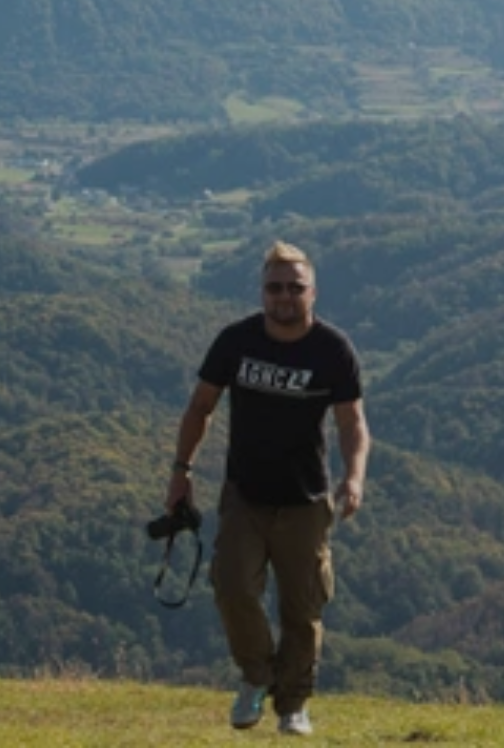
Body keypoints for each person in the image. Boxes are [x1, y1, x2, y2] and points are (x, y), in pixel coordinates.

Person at [167, 240, 372, 737]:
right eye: (275, 287)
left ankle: (293, 705)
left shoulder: (332, 349)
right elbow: (200, 407)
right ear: (262, 291)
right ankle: (256, 675)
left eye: (294, 288)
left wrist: (354, 476)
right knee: (232, 586)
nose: (284, 296)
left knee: (303, 608)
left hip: (306, 501)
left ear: (313, 292)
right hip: (245, 496)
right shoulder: (236, 342)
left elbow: (352, 423)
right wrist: (180, 472)